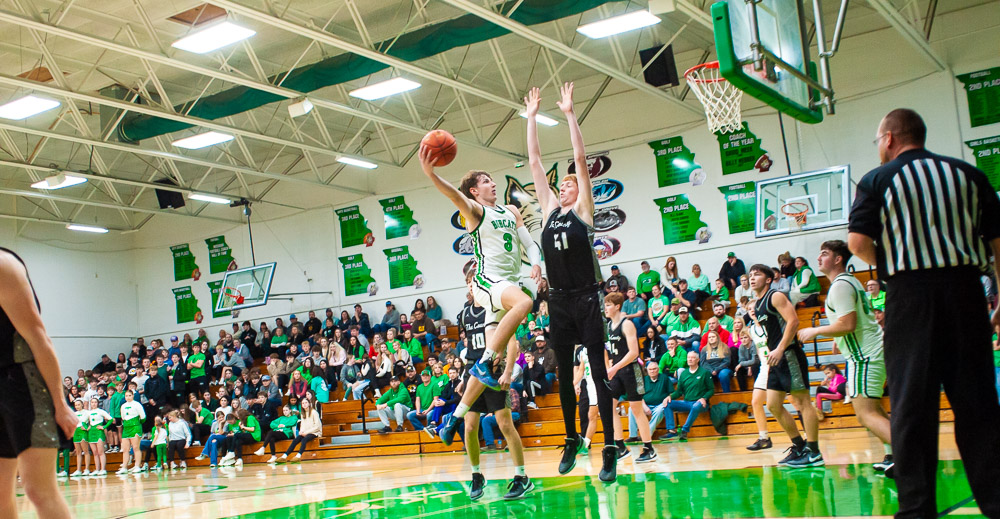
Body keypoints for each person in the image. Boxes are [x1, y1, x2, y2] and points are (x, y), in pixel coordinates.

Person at [848, 109, 1000, 517]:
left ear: (890, 138)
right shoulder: (967, 174)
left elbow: (858, 243)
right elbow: (997, 240)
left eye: (879, 139)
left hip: (910, 296)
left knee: (913, 407)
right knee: (979, 405)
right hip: (966, 292)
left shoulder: (877, 179)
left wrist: (890, 258)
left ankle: (917, 511)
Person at [420, 112, 542, 451]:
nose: (492, 183)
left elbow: (530, 243)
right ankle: (486, 362)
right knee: (523, 305)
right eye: (486, 180)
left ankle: (454, 419)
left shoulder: (510, 211)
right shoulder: (474, 211)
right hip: (490, 280)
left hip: (514, 277)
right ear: (475, 190)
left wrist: (537, 265)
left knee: (496, 355)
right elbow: (451, 194)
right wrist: (432, 174)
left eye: (492, 180)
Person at [798, 240, 895, 474]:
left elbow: (848, 323)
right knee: (874, 409)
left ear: (838, 259)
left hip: (864, 355)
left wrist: (816, 330)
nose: (819, 258)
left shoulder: (840, 285)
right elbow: (853, 319)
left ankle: (909, 454)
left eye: (824, 254)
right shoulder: (851, 282)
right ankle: (892, 455)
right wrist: (836, 336)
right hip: (871, 350)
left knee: (865, 413)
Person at [0, 248, 78, 516]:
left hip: (24, 383)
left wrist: (60, 403)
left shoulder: (3, 266)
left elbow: (39, 339)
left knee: (38, 490)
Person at [749, 264, 822, 467]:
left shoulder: (776, 296)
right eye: (750, 275)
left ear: (769, 279)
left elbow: (793, 321)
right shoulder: (757, 304)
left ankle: (814, 451)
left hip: (789, 354)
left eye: (757, 274)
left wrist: (780, 348)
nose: (752, 278)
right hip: (775, 359)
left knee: (802, 403)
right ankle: (799, 446)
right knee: (772, 405)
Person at [604, 292, 657, 466]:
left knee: (636, 410)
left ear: (617, 306)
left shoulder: (627, 325)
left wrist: (614, 367)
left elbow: (634, 352)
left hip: (631, 370)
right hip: (618, 371)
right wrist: (610, 367)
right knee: (608, 407)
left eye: (608, 305)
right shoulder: (610, 325)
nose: (605, 308)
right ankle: (620, 446)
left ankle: (649, 448)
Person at [662, 351, 713, 441]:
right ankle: (671, 431)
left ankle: (684, 431)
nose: (690, 359)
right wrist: (670, 397)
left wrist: (704, 398)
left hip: (700, 403)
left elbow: (711, 390)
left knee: (696, 405)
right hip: (687, 402)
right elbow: (679, 391)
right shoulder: (684, 374)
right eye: (689, 357)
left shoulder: (704, 373)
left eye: (692, 357)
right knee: (668, 403)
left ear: (698, 360)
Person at [626, 361, 672, 443]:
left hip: (660, 405)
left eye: (654, 369)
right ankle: (633, 436)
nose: (652, 371)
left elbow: (671, 392)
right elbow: (639, 395)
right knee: (631, 409)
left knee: (660, 410)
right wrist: (644, 406)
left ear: (658, 369)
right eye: (650, 369)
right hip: (645, 405)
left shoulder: (664, 378)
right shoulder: (643, 380)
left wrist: (668, 398)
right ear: (647, 370)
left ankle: (646, 435)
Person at [117, 389, 145, 474]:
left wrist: (136, 424)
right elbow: (123, 417)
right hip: (126, 428)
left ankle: (137, 466)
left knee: (136, 447)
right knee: (125, 449)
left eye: (129, 395)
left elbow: (143, 417)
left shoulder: (137, 404)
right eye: (126, 396)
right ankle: (124, 467)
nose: (128, 397)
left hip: (135, 427)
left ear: (133, 396)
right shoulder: (123, 406)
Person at [70, 399, 91, 477]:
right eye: (76, 405)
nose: (77, 406)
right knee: (78, 452)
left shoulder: (87, 412)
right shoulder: (74, 414)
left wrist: (88, 427)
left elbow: (92, 420)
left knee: (85, 451)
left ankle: (87, 469)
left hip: (83, 432)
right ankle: (78, 470)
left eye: (78, 404)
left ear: (82, 405)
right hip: (76, 432)